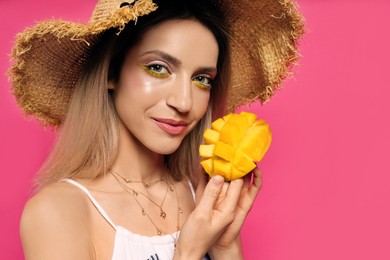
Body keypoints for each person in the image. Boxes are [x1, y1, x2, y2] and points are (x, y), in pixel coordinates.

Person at [8, 0, 304, 259]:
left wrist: (226, 247)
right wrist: (188, 253)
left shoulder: (203, 199)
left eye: (202, 79)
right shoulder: (59, 212)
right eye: (159, 68)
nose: (184, 102)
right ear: (111, 72)